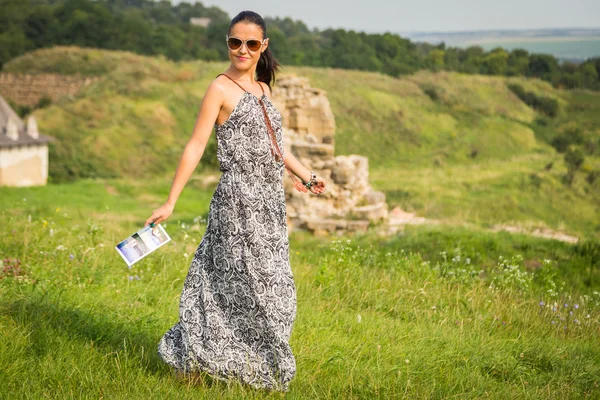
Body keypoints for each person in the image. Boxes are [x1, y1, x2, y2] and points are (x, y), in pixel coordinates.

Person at [145, 10, 326, 393]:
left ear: (264, 46)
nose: (242, 50)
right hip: (236, 203)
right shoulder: (220, 88)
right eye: (234, 42)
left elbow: (279, 148)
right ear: (227, 43)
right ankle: (192, 357)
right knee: (235, 285)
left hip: (271, 205)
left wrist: (305, 176)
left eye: (251, 43)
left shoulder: (264, 89)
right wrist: (170, 201)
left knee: (274, 289)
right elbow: (195, 145)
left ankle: (247, 364)